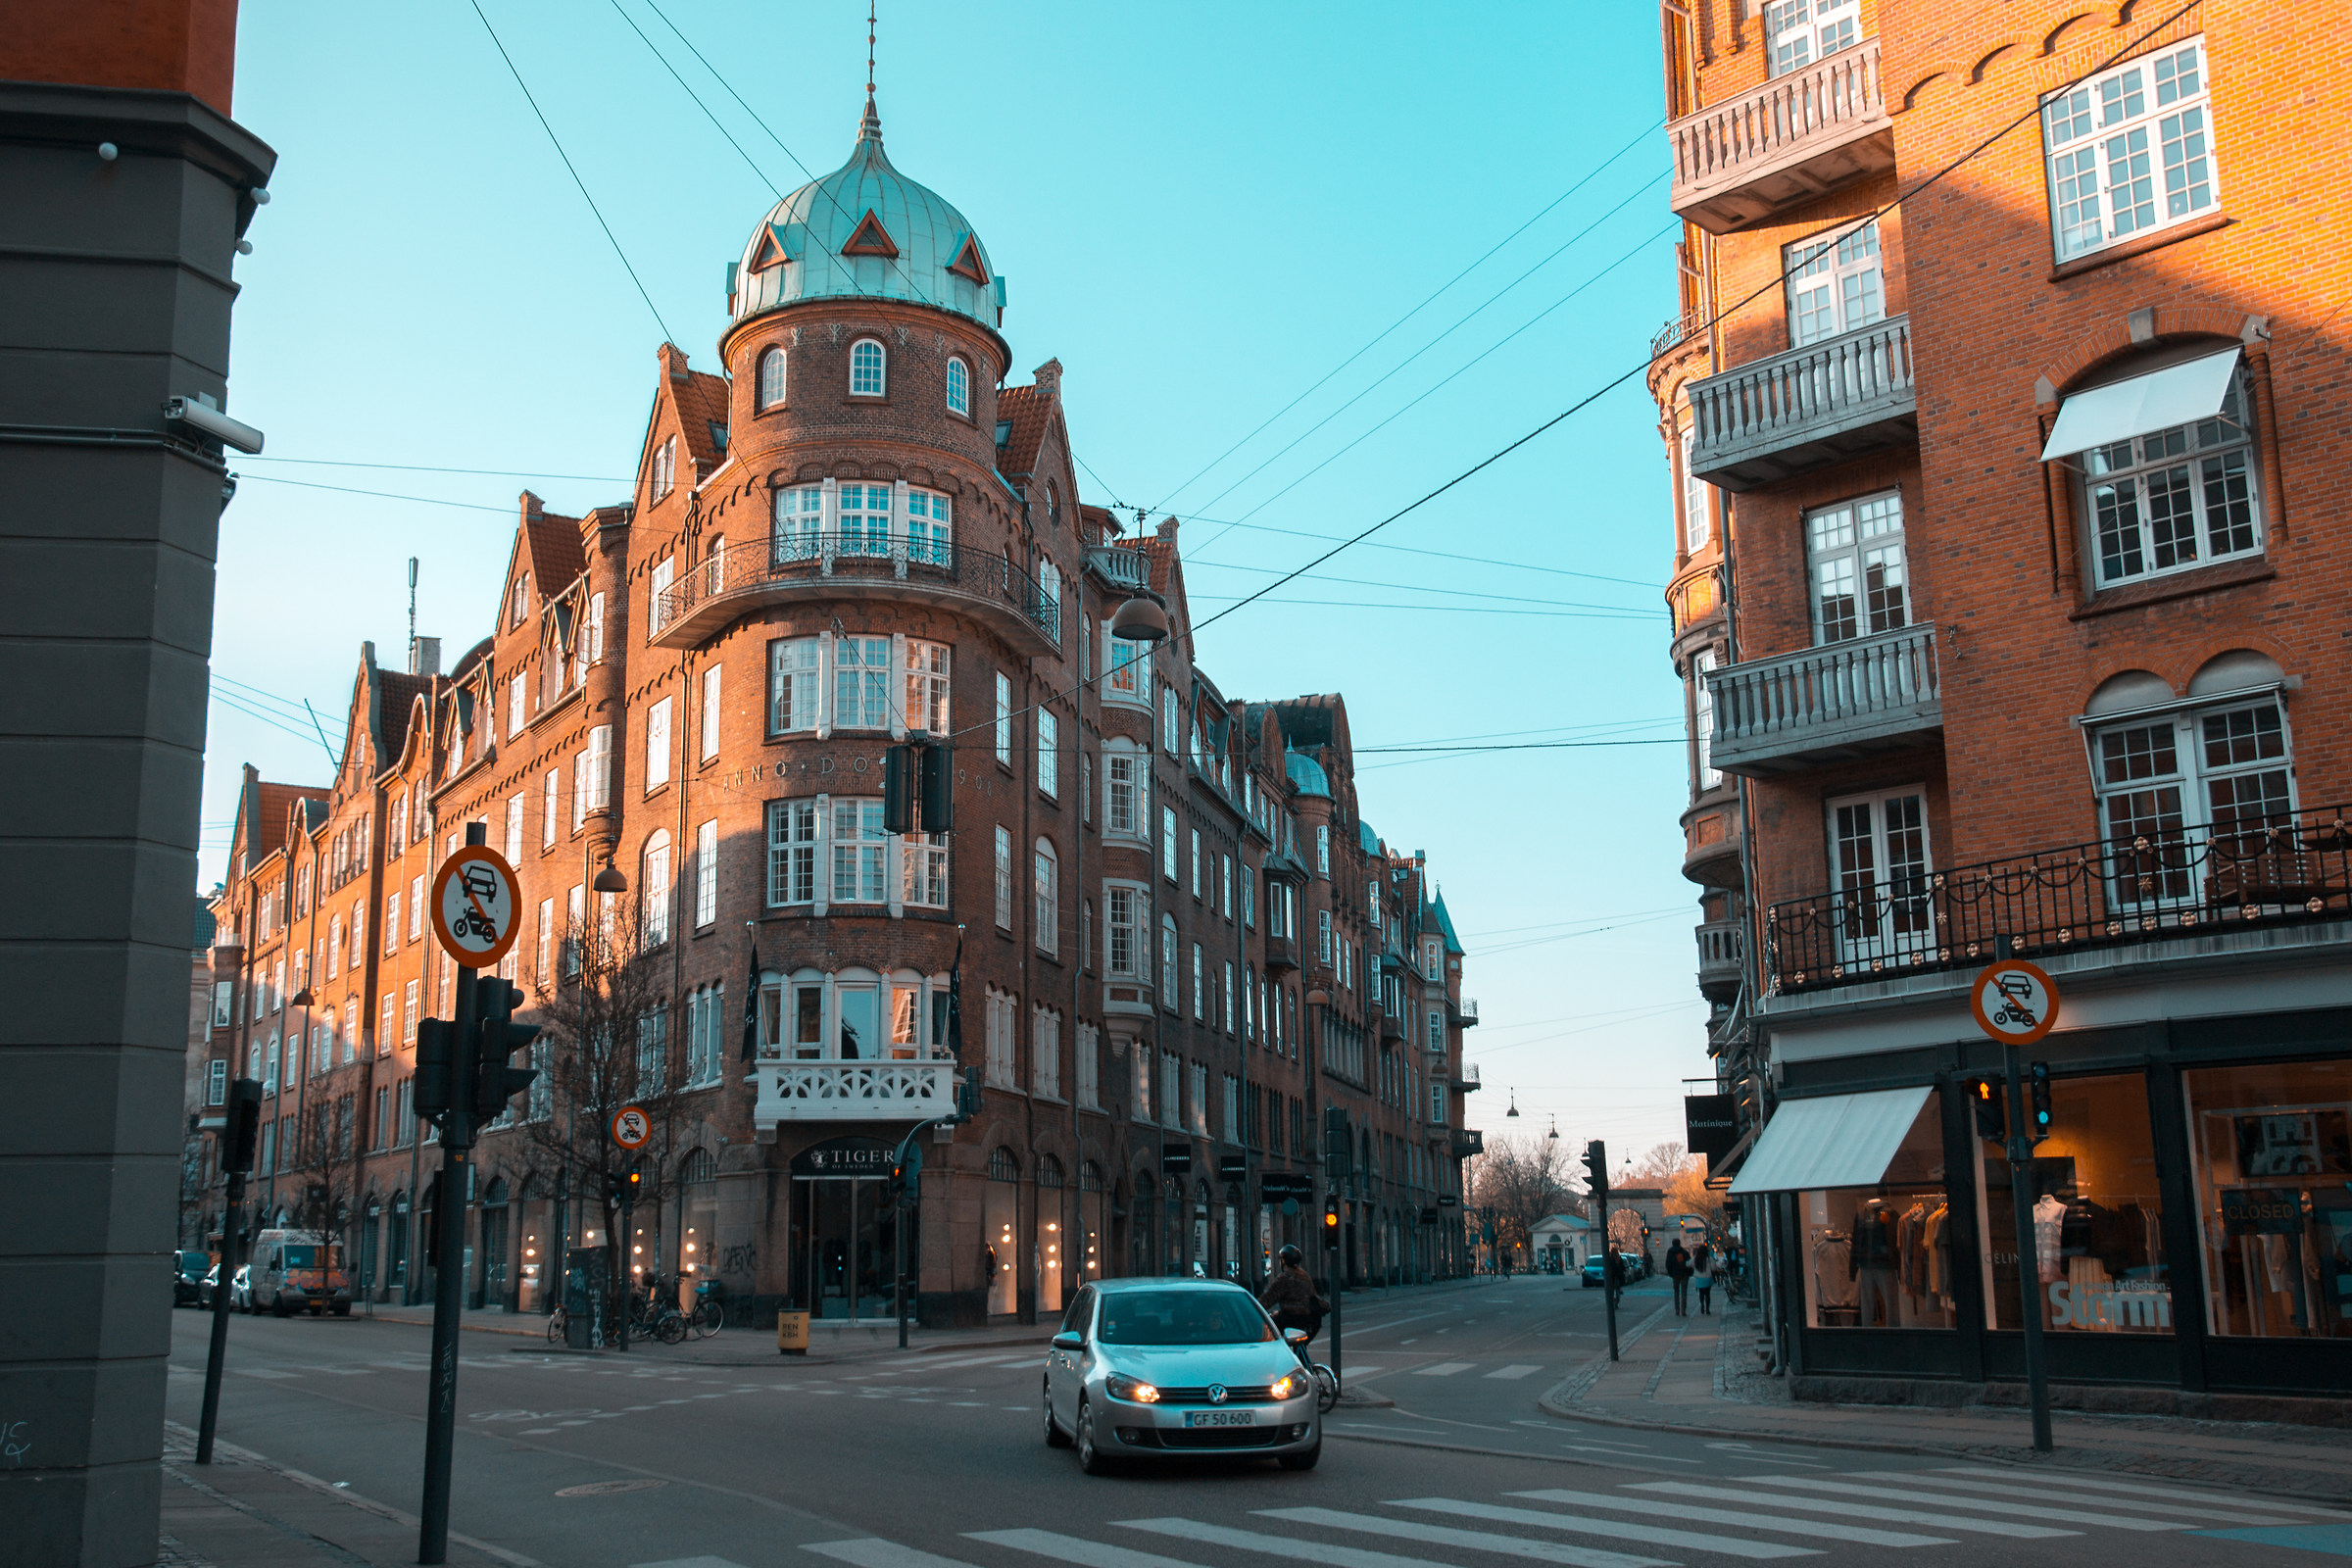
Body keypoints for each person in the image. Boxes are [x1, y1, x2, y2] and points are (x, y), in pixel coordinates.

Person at [1260, 1245, 1326, 1361]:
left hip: (1293, 1319)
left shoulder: (1284, 1279)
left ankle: (1278, 1361)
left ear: (1283, 1261)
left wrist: (1252, 1309)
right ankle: (1303, 1366)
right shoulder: (1304, 1275)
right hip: (1312, 1319)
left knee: (1271, 1333)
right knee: (1300, 1348)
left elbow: (1266, 1300)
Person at [1664, 1238, 1692, 1316]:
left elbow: (1668, 1264)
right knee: (1684, 1292)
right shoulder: (1684, 1252)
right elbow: (1689, 1263)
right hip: (1684, 1274)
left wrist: (1671, 1273)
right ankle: (1683, 1310)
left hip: (1675, 1274)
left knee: (1676, 1292)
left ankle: (1677, 1310)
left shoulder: (1670, 1252)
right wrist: (1689, 1273)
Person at [1692, 1243, 1715, 1315]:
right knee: (1707, 1294)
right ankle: (1707, 1309)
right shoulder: (1709, 1258)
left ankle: (1702, 1305)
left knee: (1701, 1294)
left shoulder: (1696, 1258)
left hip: (1699, 1279)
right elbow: (1714, 1268)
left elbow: (1688, 1264)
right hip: (1707, 1278)